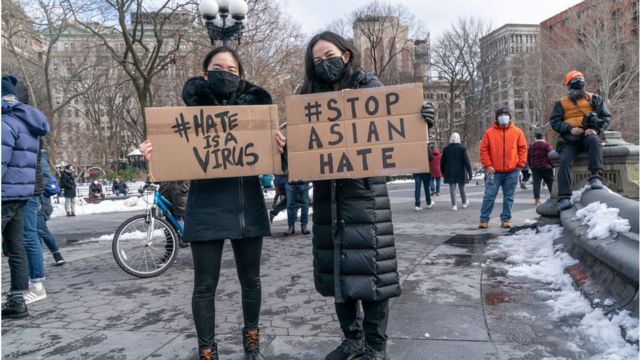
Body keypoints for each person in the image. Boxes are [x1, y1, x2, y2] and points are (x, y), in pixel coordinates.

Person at [274, 31, 435, 360]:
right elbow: (298, 165)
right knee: (338, 274)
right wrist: (286, 150)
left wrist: (421, 120)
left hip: (365, 198)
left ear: (345, 55)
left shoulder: (369, 88)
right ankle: (353, 339)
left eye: (329, 55)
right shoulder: (306, 100)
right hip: (327, 202)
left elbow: (397, 132)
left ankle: (376, 346)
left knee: (372, 273)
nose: (324, 64)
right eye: (317, 60)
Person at [140, 46, 271, 360]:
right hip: (206, 207)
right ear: (205, 74)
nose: (225, 73)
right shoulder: (187, 119)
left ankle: (251, 342)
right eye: (218, 67)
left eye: (231, 69)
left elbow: (276, 160)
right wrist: (153, 155)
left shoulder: (256, 117)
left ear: (240, 76)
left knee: (251, 280)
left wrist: (278, 147)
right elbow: (172, 160)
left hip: (246, 205)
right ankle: (207, 351)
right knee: (204, 285)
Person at [1, 75, 50, 318]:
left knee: (18, 245)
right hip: (22, 194)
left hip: (5, 194)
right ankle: (17, 300)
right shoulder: (28, 124)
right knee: (16, 246)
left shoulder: (5, 123)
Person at [550, 70, 611, 211]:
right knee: (564, 160)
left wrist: (595, 129)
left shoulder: (595, 98)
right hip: (569, 140)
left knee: (594, 141)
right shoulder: (561, 103)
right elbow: (554, 122)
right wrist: (569, 129)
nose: (578, 84)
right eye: (575, 81)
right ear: (569, 85)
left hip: (588, 135)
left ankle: (595, 176)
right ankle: (564, 196)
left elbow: (606, 118)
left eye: (580, 81)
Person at [478, 107, 527, 229]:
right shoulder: (489, 132)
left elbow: (523, 149)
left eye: (506, 114)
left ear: (510, 117)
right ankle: (484, 219)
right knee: (489, 196)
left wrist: (520, 164)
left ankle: (506, 219)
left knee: (509, 197)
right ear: (497, 118)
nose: (504, 117)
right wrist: (488, 165)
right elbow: (484, 150)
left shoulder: (517, 132)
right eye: (501, 115)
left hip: (512, 171)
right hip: (493, 171)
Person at [38, 148, 65, 265]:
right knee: (33, 231)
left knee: (40, 229)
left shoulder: (40, 157)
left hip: (39, 200)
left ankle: (56, 253)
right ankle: (38, 258)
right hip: (31, 198)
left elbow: (45, 178)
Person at [440, 132, 472, 211]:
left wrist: (443, 172)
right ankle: (464, 202)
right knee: (462, 188)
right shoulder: (462, 148)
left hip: (450, 172)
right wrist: (469, 172)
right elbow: (466, 161)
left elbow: (442, 162)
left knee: (452, 188)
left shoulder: (446, 149)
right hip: (461, 171)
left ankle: (454, 205)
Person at [528, 132, 554, 205]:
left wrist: (531, 166)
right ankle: (553, 197)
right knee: (550, 183)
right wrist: (552, 166)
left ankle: (537, 199)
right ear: (543, 137)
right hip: (546, 167)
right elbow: (551, 156)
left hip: (535, 167)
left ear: (535, 138)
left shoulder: (531, 146)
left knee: (536, 184)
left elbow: (529, 158)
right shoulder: (547, 145)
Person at [412, 144, 434, 211]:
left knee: (417, 187)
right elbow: (431, 157)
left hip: (416, 170)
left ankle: (417, 204)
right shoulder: (425, 145)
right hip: (425, 169)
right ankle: (428, 202)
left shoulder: (413, 146)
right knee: (426, 187)